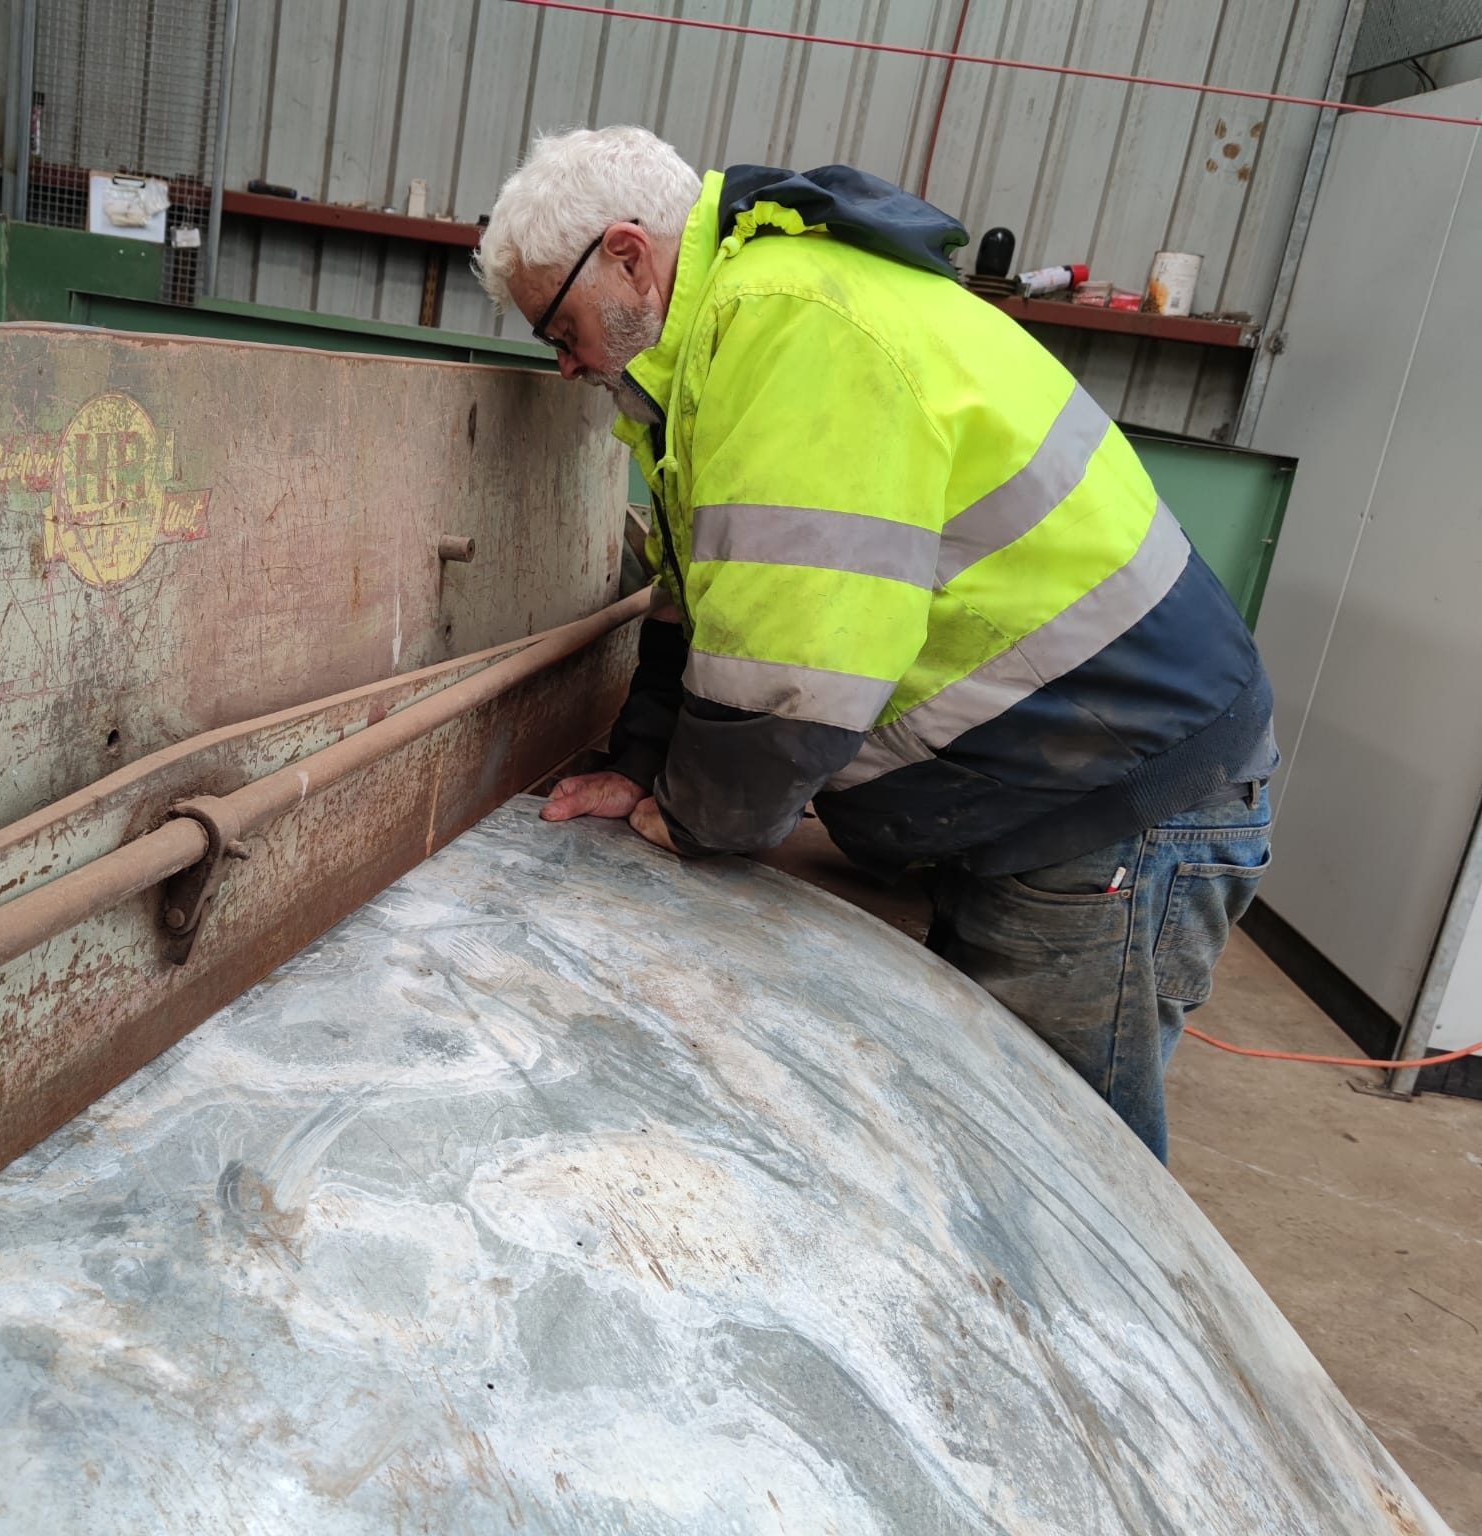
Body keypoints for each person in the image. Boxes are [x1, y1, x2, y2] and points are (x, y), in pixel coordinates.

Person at [474, 126, 1277, 1164]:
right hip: (1061, 773)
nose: (565, 363)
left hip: (1116, 795)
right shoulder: (720, 345)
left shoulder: (789, 327)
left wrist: (694, 820)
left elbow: (791, 670)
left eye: (560, 325)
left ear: (627, 257)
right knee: (983, 1137)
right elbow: (701, 601)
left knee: (1047, 1174)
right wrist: (638, 762)